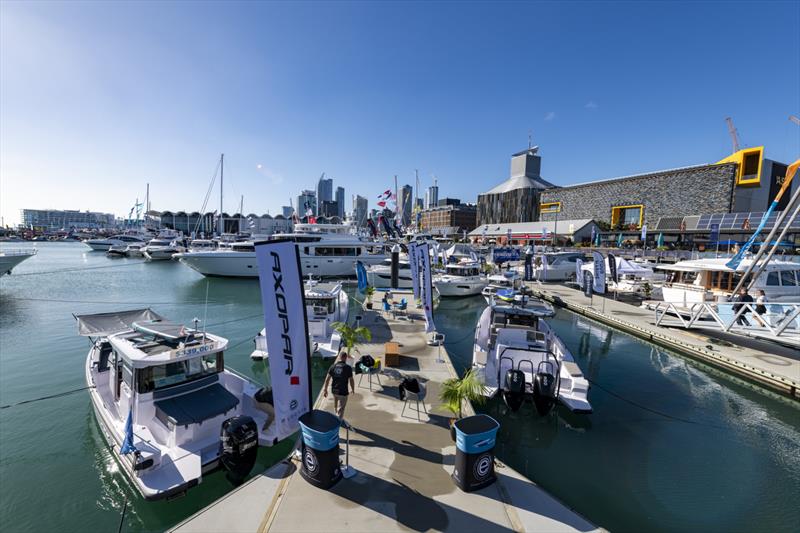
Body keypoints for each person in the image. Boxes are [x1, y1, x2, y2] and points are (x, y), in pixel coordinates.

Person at [323, 351, 355, 422]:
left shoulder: (333, 366)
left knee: (336, 402)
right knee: (341, 408)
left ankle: (336, 414)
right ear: (345, 358)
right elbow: (351, 380)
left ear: (339, 357)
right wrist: (353, 389)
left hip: (334, 390)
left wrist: (325, 390)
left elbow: (327, 379)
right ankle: (338, 421)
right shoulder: (348, 368)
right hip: (343, 391)